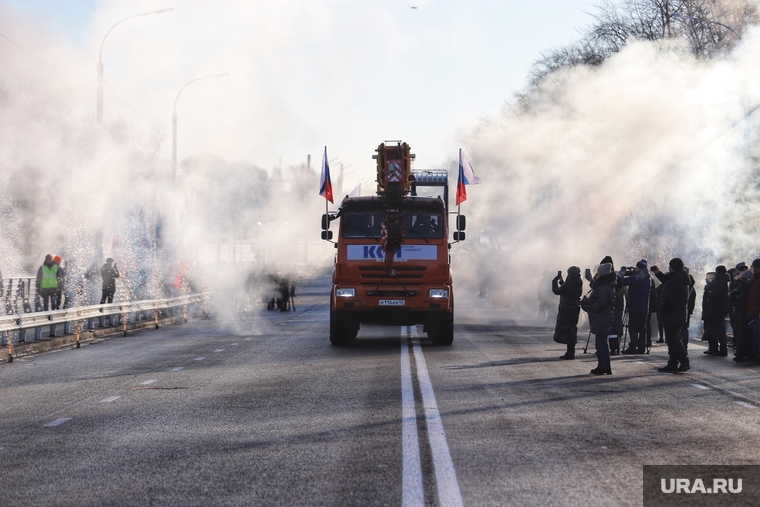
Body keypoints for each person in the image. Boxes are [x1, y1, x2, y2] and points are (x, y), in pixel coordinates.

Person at [653, 258, 690, 373]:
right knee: (674, 339)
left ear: (672, 267)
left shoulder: (675, 281)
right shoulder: (680, 277)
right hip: (678, 314)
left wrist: (661, 309)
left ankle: (678, 362)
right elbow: (665, 279)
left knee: (673, 340)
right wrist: (657, 273)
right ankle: (678, 362)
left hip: (672, 314)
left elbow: (668, 298)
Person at [581, 262, 616, 375]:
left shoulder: (603, 287)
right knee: (601, 342)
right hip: (603, 316)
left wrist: (589, 307)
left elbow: (601, 303)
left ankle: (604, 366)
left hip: (602, 316)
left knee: (602, 343)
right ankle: (602, 365)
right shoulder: (606, 285)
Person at [619, 260, 651, 354]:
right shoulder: (648, 277)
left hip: (635, 307)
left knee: (633, 328)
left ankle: (632, 347)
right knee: (642, 329)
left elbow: (621, 281)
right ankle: (641, 347)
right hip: (644, 307)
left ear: (638, 267)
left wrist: (622, 273)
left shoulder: (636, 277)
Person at [552, 266, 583, 360]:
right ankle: (570, 351)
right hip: (573, 308)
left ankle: (570, 353)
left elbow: (557, 291)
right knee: (571, 330)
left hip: (567, 309)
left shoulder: (569, 283)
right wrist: (562, 282)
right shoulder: (578, 281)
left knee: (568, 330)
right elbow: (568, 289)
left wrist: (555, 281)